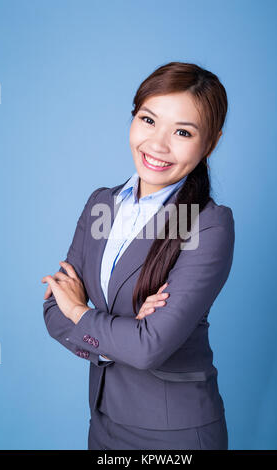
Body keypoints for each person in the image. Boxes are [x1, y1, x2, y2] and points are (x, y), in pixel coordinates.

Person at [42, 61, 235, 450]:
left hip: (174, 435)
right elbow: (52, 311)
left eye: (182, 132)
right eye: (149, 120)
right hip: (103, 422)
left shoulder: (207, 224)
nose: (158, 145)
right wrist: (125, 332)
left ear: (209, 143)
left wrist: (83, 313)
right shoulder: (103, 205)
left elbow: (149, 348)